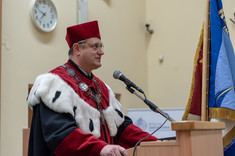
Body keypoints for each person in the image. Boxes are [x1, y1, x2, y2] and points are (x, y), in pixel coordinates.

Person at [27, 20, 158, 156]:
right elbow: (60, 134)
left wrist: (155, 143)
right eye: (95, 46)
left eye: (101, 46)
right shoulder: (54, 83)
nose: (101, 52)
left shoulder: (102, 87)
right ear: (77, 49)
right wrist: (100, 148)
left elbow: (122, 128)